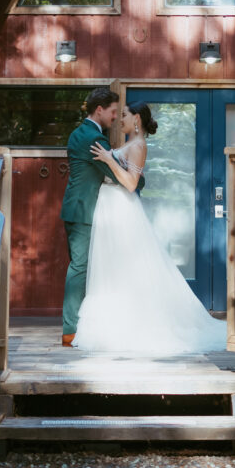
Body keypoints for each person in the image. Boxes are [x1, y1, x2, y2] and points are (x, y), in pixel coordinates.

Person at [73, 101, 227, 356]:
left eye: (124, 115)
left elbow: (132, 183)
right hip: (110, 206)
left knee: (126, 265)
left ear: (137, 120)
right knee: (112, 267)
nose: (120, 119)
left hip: (122, 207)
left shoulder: (139, 145)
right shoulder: (126, 144)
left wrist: (109, 161)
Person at [59, 86, 145, 346]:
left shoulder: (78, 132)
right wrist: (140, 183)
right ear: (99, 110)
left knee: (82, 267)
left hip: (76, 207)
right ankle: (70, 330)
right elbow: (121, 176)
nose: (115, 117)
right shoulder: (93, 139)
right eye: (112, 112)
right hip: (84, 210)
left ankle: (77, 325)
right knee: (80, 268)